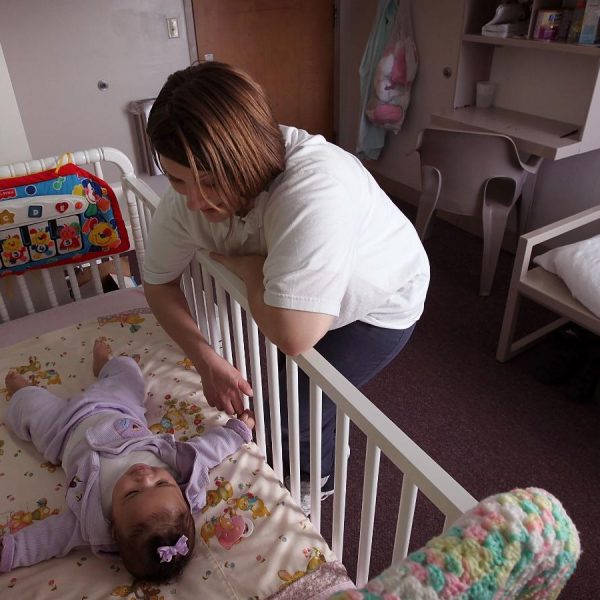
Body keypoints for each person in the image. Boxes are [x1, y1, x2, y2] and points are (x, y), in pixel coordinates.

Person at [142, 61, 429, 508]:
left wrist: (251, 270)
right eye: (178, 181)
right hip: (302, 294)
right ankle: (317, 435)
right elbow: (159, 283)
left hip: (380, 302)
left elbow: (295, 336)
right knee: (284, 390)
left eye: (210, 182)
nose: (195, 201)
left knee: (300, 404)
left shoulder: (315, 186)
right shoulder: (186, 204)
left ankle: (319, 481)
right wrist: (205, 360)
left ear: (247, 159)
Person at [0, 338, 254, 582]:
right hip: (119, 405)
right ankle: (104, 364)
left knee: (30, 410)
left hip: (62, 429)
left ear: (113, 526)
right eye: (161, 484)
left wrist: (10, 551)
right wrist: (235, 433)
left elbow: (49, 538)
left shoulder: (91, 517)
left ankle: (23, 390)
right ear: (180, 491)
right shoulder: (180, 468)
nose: (145, 477)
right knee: (129, 373)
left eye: (132, 493)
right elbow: (207, 450)